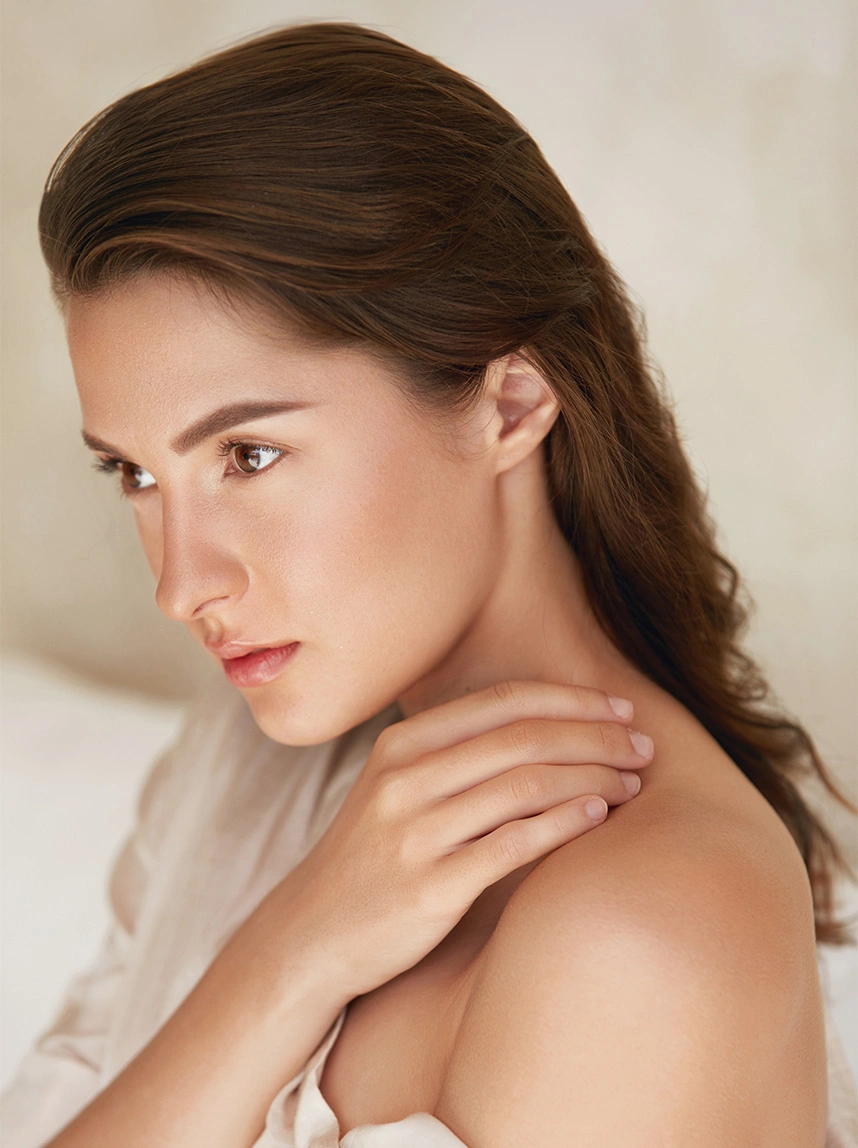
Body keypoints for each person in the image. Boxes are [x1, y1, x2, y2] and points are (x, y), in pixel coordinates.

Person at [2, 20, 856, 1148]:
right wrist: (286, 952)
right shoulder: (244, 756)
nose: (180, 584)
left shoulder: (649, 926)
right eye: (135, 473)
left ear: (510, 404)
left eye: (248, 456)